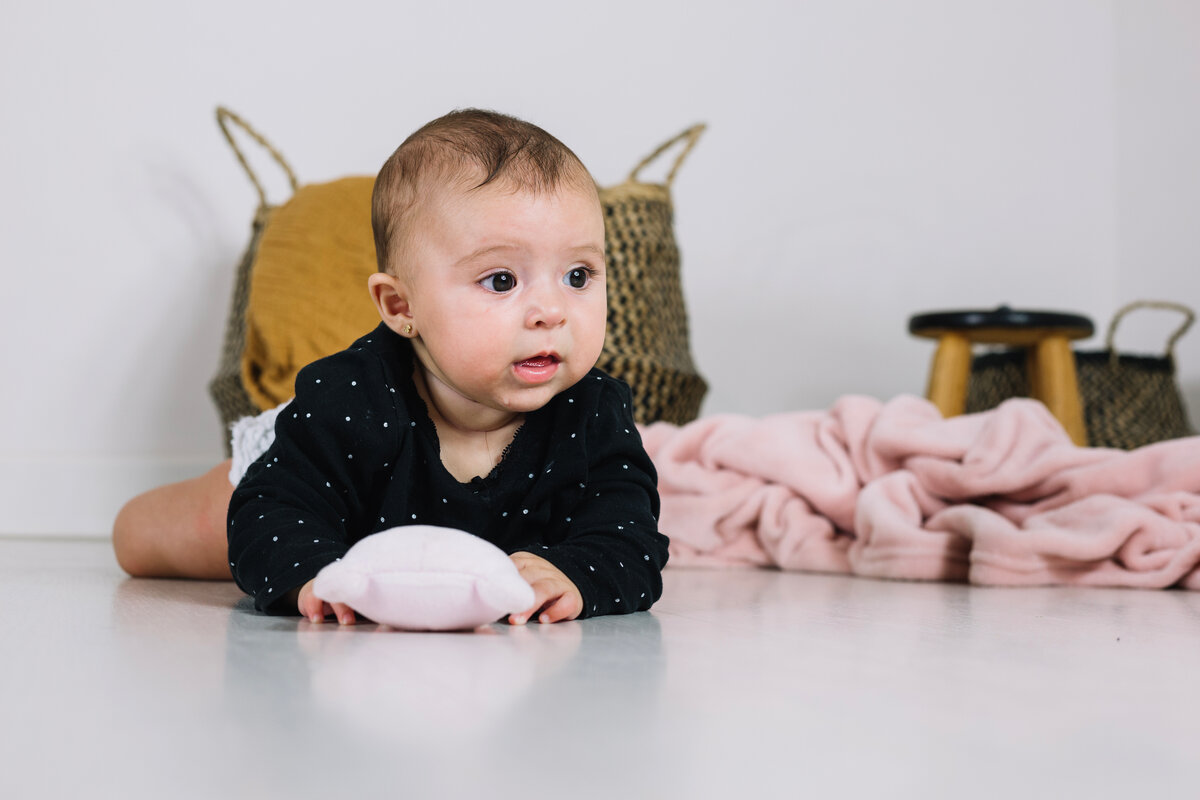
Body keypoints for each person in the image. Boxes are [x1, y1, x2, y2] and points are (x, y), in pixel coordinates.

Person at [112, 109, 669, 626]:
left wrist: (577, 571)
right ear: (402, 308)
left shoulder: (596, 413)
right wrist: (311, 576)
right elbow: (273, 514)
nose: (551, 312)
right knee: (179, 533)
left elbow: (630, 537)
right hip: (323, 484)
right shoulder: (348, 399)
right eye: (501, 280)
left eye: (578, 275)